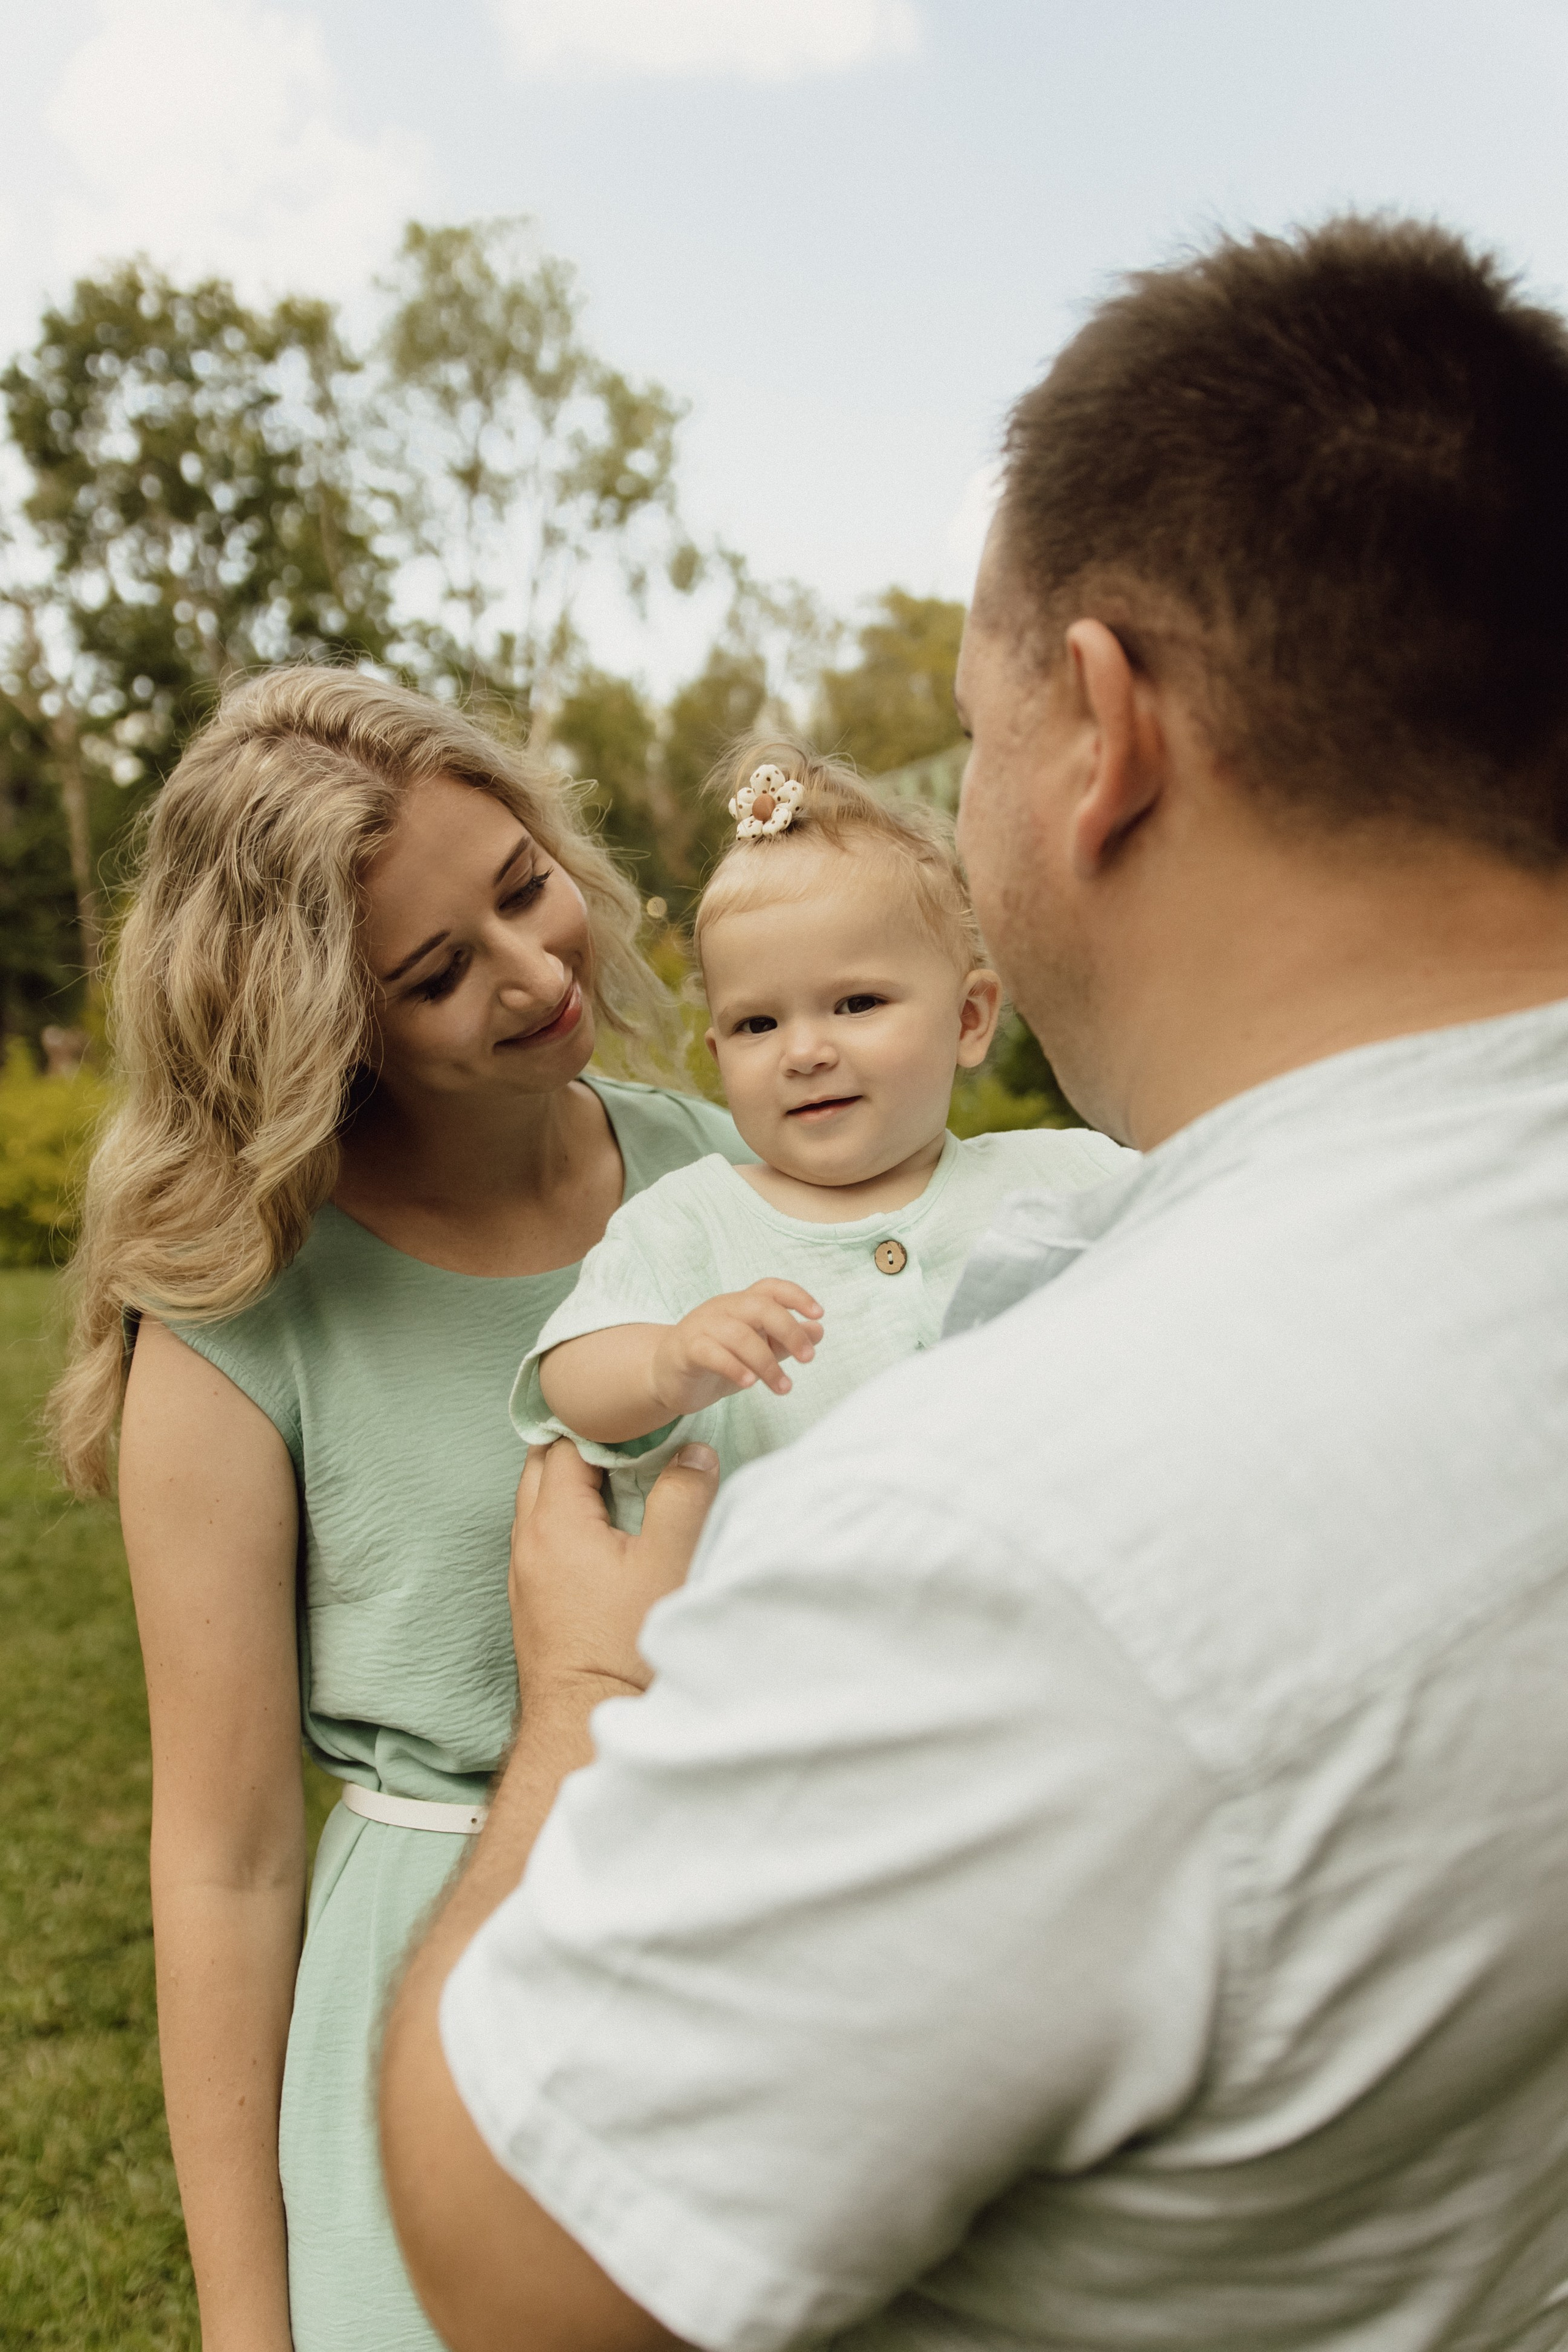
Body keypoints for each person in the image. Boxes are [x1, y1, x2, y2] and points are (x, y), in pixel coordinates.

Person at [380, 213, 1568, 2352]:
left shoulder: (998, 1539)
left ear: (1104, 732)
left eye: (968, 725)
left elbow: (518, 2259)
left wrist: (577, 1704)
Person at [48, 668, 748, 2352]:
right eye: (438, 973)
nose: (533, 971)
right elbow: (224, 1860)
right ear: (323, 1026)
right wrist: (244, 2321)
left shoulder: (728, 1182)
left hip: (750, 1972)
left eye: (525, 886)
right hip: (431, 2027)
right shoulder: (234, 1320)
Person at [516, 739, 1128, 1525]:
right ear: (719, 1054)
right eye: (758, 1023)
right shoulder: (691, 1221)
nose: (804, 1053)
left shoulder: (1067, 1177)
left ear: (969, 1019)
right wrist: (666, 1365)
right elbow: (567, 1376)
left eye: (857, 1004)